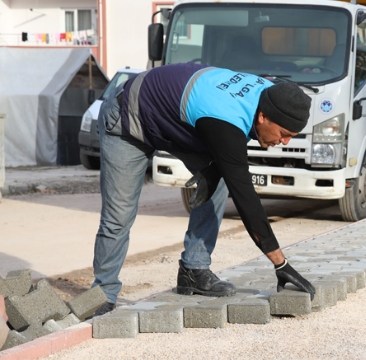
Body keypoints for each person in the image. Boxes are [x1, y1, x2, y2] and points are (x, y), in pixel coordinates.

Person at [92, 63, 316, 316]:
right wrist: (280, 264)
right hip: (127, 119)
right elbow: (246, 198)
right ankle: (103, 292)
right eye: (284, 133)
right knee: (119, 215)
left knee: (217, 180)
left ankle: (193, 271)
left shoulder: (273, 96)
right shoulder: (226, 118)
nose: (284, 142)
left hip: (171, 121)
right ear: (263, 117)